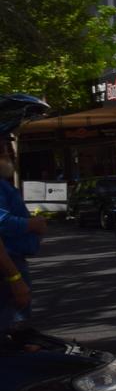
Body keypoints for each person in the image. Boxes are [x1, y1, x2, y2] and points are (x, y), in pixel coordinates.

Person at [0, 141, 45, 333]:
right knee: (15, 331)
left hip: (11, 263)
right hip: (9, 264)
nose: (10, 154)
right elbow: (2, 221)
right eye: (4, 150)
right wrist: (31, 224)